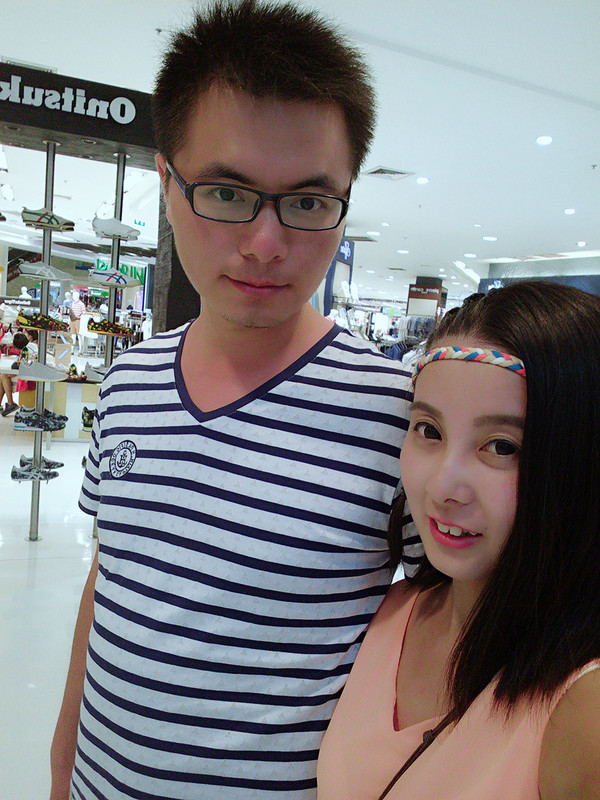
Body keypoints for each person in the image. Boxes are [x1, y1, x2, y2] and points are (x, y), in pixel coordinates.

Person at [50, 3, 414, 799]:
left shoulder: (399, 416)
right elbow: (109, 583)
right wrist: (63, 762)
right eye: (225, 192)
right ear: (167, 186)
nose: (266, 244)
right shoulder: (129, 382)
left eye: (309, 203)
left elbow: (440, 649)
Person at [318, 280, 600, 800]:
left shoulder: (582, 710)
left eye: (501, 446)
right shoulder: (394, 611)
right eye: (429, 430)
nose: (443, 486)